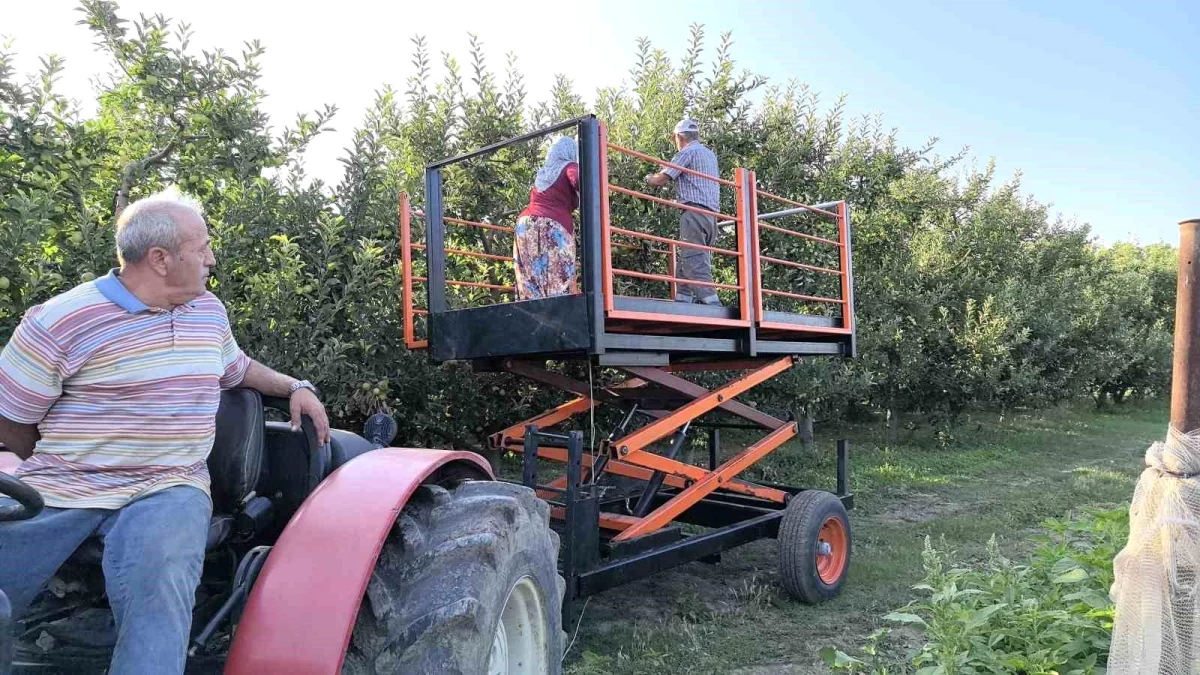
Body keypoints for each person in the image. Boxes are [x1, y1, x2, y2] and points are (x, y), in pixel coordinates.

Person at [0, 187, 330, 675]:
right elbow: (11, 422)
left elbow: (234, 368)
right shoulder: (59, 321)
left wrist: (295, 385)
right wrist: (69, 465)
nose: (211, 259)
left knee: (159, 585)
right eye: (202, 249)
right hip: (62, 488)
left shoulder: (208, 311)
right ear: (159, 258)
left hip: (168, 486)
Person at [644, 118, 723, 306]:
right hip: (711, 217)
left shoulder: (686, 153)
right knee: (688, 258)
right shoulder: (708, 154)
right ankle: (683, 301)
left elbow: (661, 179)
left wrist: (648, 178)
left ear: (679, 137)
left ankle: (714, 305)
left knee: (695, 261)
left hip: (693, 213)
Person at [514, 136, 580, 300]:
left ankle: (532, 306)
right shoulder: (569, 165)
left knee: (530, 273)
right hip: (551, 224)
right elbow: (580, 180)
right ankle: (560, 307)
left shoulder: (544, 172)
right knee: (558, 270)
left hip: (525, 224)